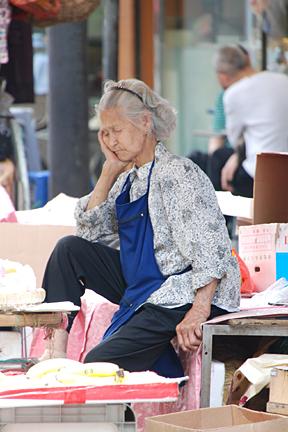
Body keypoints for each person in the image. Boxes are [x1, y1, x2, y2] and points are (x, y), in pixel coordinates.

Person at [41, 79, 240, 378]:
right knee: (68, 249)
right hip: (143, 284)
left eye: (116, 131)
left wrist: (199, 311)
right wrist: (108, 171)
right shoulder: (127, 179)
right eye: (104, 133)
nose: (110, 141)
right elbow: (90, 234)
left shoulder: (178, 173)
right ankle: (54, 352)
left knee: (99, 363)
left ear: (146, 122)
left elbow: (210, 249)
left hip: (179, 290)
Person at [188, 45, 254, 198]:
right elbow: (217, 138)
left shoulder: (250, 93)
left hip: (249, 154)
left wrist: (237, 156)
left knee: (218, 159)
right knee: (196, 160)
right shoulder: (224, 97)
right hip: (234, 153)